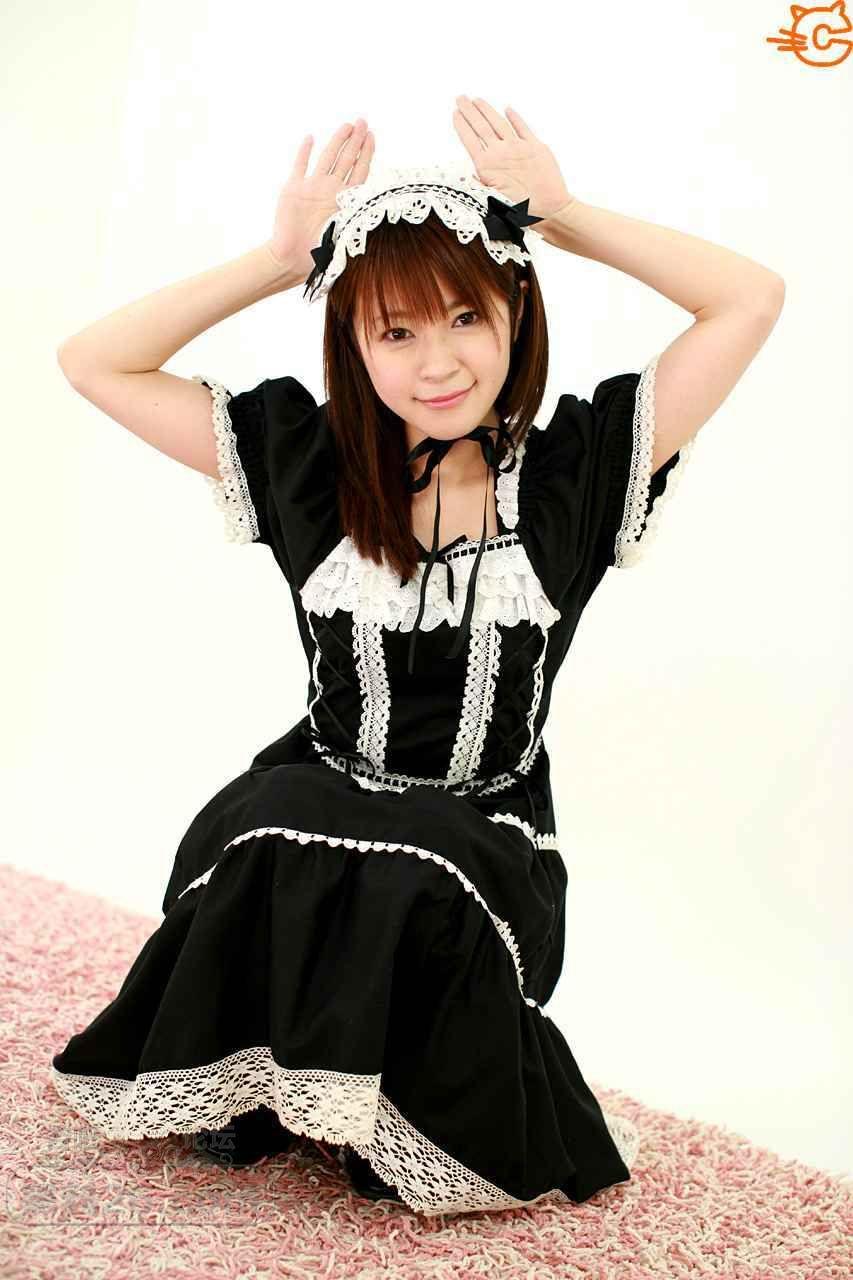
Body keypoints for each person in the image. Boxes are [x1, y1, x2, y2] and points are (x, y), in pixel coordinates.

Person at [51, 104, 785, 1215]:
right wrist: (279, 260)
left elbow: (748, 298)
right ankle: (293, 1082)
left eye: (464, 317)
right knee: (277, 824)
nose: (437, 362)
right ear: (353, 347)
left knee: (412, 861)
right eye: (394, 333)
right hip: (315, 798)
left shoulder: (576, 471)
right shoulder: (303, 461)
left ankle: (388, 1105)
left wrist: (564, 214)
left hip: (483, 838)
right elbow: (92, 360)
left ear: (515, 315)